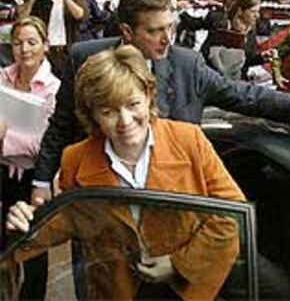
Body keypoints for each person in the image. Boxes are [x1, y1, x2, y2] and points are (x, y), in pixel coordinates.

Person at [31, 0, 290, 204]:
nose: (167, 39)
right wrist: (42, 181)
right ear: (127, 32)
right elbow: (61, 124)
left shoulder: (187, 65)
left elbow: (246, 96)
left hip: (169, 204)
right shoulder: (85, 58)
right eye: (156, 31)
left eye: (171, 28)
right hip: (100, 199)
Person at [7, 45, 245, 300]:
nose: (125, 121)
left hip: (185, 288)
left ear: (149, 96)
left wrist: (178, 264)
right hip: (116, 290)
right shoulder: (76, 158)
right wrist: (25, 223)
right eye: (108, 111)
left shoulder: (189, 141)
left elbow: (232, 214)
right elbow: (70, 221)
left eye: (133, 104)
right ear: (92, 115)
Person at [1, 16, 60, 299]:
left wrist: (4, 136)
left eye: (32, 42)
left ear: (45, 46)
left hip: (33, 178)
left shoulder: (54, 88)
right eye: (18, 43)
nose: (24, 49)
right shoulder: (2, 78)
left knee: (34, 248)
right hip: (2, 175)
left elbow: (42, 144)